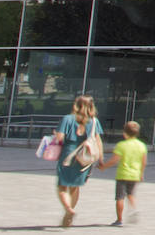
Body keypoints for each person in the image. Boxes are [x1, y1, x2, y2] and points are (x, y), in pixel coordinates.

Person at [53, 94, 102, 228]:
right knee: (74, 187)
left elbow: (60, 137)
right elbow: (98, 141)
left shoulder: (67, 119)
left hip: (68, 154)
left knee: (62, 185)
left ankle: (69, 209)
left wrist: (55, 134)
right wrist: (101, 159)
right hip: (84, 157)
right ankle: (69, 212)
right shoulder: (94, 121)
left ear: (76, 105)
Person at [98, 120, 147, 227]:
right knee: (130, 194)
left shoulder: (121, 145)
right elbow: (144, 162)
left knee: (120, 197)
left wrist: (104, 167)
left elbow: (114, 160)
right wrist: (141, 174)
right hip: (135, 175)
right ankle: (134, 209)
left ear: (124, 133)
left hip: (123, 175)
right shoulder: (142, 146)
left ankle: (119, 220)